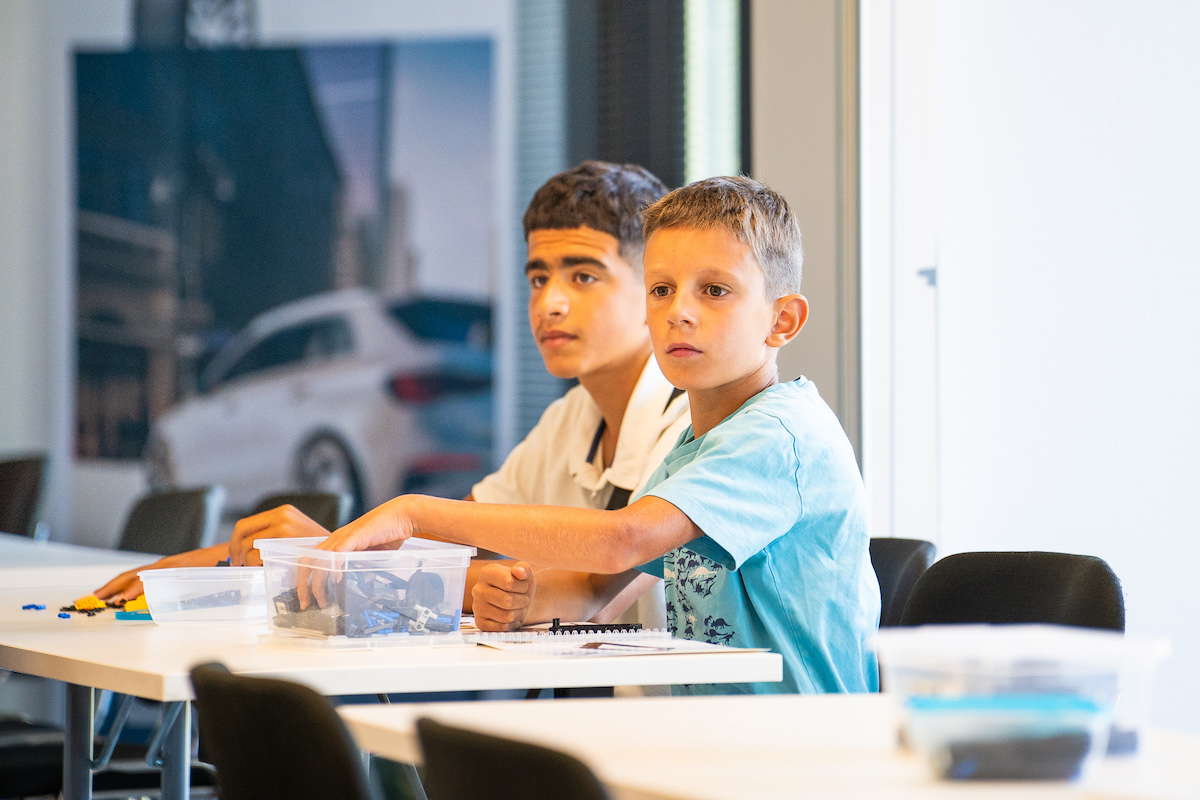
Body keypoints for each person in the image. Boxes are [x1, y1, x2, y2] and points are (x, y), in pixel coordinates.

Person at [303, 176, 881, 695]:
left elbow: (620, 542)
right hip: (716, 744)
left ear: (782, 320)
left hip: (801, 750)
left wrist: (412, 512)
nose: (678, 312)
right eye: (661, 290)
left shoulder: (780, 434)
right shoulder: (697, 446)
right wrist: (518, 602)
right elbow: (591, 588)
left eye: (714, 290)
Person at [95, 161, 686, 633]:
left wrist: (333, 559)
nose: (549, 302)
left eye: (583, 276)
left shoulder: (691, 423)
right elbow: (440, 544)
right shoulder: (571, 418)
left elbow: (581, 595)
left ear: (653, 288)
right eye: (538, 277)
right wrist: (194, 567)